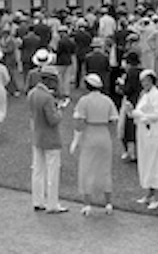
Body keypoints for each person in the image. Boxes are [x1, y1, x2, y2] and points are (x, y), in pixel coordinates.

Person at [71, 73, 119, 216]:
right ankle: (108, 203)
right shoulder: (107, 100)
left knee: (87, 169)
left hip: (90, 135)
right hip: (104, 135)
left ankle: (87, 204)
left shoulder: (84, 101)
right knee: (105, 169)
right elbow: (113, 120)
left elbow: (79, 122)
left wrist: (75, 140)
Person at [28, 70, 68, 213]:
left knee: (37, 170)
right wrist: (60, 111)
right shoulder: (47, 97)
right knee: (52, 172)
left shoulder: (32, 93)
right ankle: (52, 203)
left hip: (37, 136)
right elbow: (53, 120)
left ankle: (37, 201)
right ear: (50, 81)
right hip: (50, 138)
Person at [130, 69, 158, 210]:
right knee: (145, 162)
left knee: (153, 163)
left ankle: (157, 196)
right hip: (143, 132)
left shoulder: (157, 96)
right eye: (143, 81)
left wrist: (140, 115)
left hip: (153, 132)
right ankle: (149, 193)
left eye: (146, 81)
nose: (144, 84)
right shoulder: (144, 94)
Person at [119, 51, 143, 162]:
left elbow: (128, 90)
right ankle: (140, 151)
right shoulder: (144, 72)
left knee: (127, 127)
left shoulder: (130, 73)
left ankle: (131, 152)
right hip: (142, 101)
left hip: (130, 102)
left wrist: (121, 86)